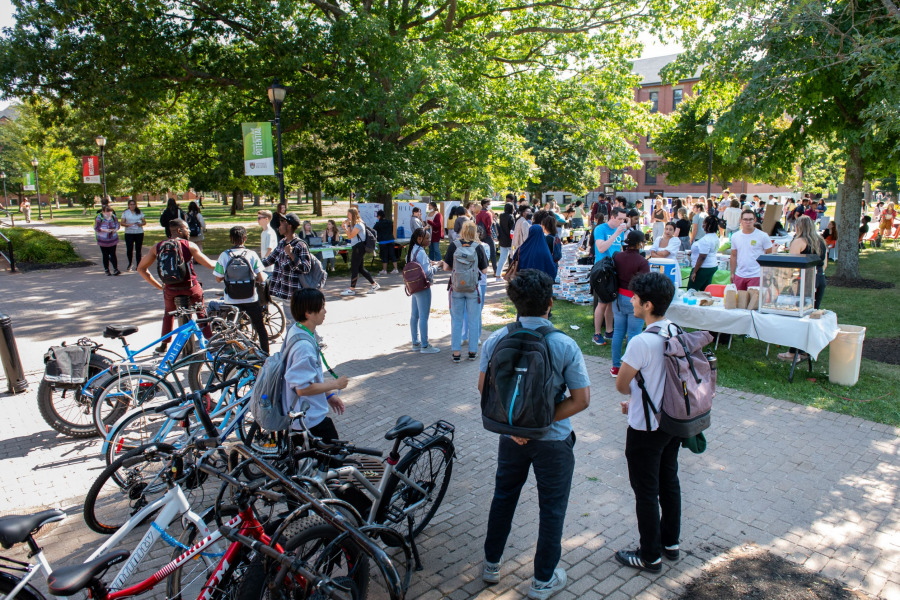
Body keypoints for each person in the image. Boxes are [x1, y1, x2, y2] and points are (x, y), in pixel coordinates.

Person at [480, 269, 591, 599]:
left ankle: (490, 565)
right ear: (550, 303)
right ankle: (543, 581)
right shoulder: (563, 344)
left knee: (503, 498)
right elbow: (581, 399)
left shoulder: (496, 339)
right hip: (554, 440)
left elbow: (484, 390)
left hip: (510, 437)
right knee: (552, 509)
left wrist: (520, 427)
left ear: (515, 302)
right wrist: (539, 423)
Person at [613, 271, 682, 574]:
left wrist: (634, 399)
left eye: (636, 298)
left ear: (648, 305)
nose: (632, 301)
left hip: (645, 429)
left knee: (645, 490)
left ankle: (649, 555)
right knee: (669, 481)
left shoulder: (641, 341)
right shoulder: (675, 329)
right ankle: (670, 543)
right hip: (672, 422)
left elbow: (621, 383)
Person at [137, 218, 216, 354]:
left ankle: (164, 345)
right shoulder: (189, 245)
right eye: (187, 228)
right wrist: (223, 261)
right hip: (190, 288)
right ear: (179, 230)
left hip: (170, 290)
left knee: (168, 314)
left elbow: (141, 268)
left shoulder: (158, 246)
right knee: (201, 313)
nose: (189, 231)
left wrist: (160, 286)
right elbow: (209, 264)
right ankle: (211, 340)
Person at [284, 288, 349, 442]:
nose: (325, 311)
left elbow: (308, 376)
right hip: (309, 421)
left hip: (304, 417)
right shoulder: (303, 347)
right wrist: (335, 384)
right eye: (321, 308)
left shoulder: (297, 330)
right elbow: (302, 388)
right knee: (334, 461)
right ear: (308, 313)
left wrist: (329, 395)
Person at [779, 216, 828, 362]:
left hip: (804, 281)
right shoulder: (821, 241)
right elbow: (824, 264)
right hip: (820, 279)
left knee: (799, 316)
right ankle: (807, 350)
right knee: (812, 314)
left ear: (798, 227)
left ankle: (793, 352)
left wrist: (789, 282)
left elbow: (792, 264)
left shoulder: (799, 241)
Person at [214, 226, 269, 353]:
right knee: (260, 327)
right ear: (245, 238)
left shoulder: (224, 255)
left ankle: (234, 354)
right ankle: (266, 353)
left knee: (231, 329)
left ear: (230, 239)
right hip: (250, 298)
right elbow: (260, 277)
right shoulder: (251, 254)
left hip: (231, 299)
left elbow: (218, 278)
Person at [442, 220, 489, 363]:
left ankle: (456, 353)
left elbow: (445, 267)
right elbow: (485, 270)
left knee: (456, 320)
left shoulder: (453, 246)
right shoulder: (478, 247)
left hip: (456, 288)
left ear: (462, 231)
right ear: (474, 232)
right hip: (473, 288)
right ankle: (472, 352)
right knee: (474, 320)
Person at [611, 231, 650, 377]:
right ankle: (630, 369)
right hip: (635, 299)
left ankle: (615, 367)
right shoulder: (642, 262)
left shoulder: (618, 257)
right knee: (633, 334)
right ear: (639, 244)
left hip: (618, 298)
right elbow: (645, 283)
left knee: (618, 332)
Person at [262, 213, 313, 325]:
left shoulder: (300, 245)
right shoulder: (282, 243)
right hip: (285, 292)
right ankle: (298, 341)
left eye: (281, 223)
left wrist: (291, 255)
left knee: (298, 321)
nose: (278, 226)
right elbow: (269, 260)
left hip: (295, 293)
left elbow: (306, 268)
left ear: (289, 226)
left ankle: (311, 340)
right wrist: (252, 264)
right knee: (293, 322)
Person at [592, 207, 628, 346]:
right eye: (619, 219)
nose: (621, 222)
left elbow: (619, 248)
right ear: (612, 217)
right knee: (602, 303)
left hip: (614, 268)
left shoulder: (621, 230)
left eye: (623, 219)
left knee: (611, 302)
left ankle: (609, 331)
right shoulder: (601, 229)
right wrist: (616, 233)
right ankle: (596, 334)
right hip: (602, 269)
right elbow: (601, 248)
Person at [405, 227, 440, 354]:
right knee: (424, 317)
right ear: (419, 239)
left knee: (414, 315)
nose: (429, 240)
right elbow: (427, 273)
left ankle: (415, 342)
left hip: (413, 287)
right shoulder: (420, 252)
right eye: (427, 238)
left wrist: (430, 263)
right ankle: (425, 345)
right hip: (423, 286)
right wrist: (437, 266)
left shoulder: (412, 250)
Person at [730, 209, 773, 290]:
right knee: (739, 300)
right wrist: (732, 273)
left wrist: (766, 274)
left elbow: (769, 255)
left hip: (756, 275)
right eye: (745, 219)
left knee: (753, 301)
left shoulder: (763, 236)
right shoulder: (735, 236)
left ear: (755, 220)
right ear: (741, 220)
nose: (748, 222)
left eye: (750, 219)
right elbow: (733, 255)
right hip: (740, 274)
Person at [341, 207, 378, 296]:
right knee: (360, 268)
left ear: (353, 215)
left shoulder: (358, 224)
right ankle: (374, 284)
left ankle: (352, 289)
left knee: (354, 267)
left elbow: (350, 236)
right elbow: (350, 235)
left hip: (359, 247)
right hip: (357, 247)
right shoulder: (356, 224)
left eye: (349, 214)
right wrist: (346, 227)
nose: (347, 216)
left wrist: (347, 226)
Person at [689, 216, 721, 291]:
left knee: (691, 290)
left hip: (703, 268)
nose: (702, 226)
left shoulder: (705, 240)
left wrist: (694, 272)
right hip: (712, 266)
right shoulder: (715, 237)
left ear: (708, 226)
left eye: (704, 224)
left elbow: (702, 257)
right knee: (705, 290)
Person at [94, 204, 121, 276]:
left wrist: (115, 229)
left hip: (112, 238)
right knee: (105, 255)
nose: (109, 213)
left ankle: (115, 269)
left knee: (113, 254)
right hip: (103, 239)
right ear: (103, 211)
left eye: (110, 211)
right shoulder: (99, 217)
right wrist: (104, 230)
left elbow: (117, 224)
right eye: (107, 212)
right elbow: (96, 228)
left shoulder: (113, 217)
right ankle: (106, 269)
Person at [120, 199, 146, 271]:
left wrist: (140, 224)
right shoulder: (125, 213)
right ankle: (130, 263)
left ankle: (139, 264)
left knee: (138, 249)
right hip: (129, 233)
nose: (132, 206)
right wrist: (128, 225)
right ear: (128, 205)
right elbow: (122, 223)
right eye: (131, 204)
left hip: (139, 232)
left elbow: (144, 222)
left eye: (133, 204)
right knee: (129, 249)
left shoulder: (139, 212)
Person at [476, 199, 498, 275]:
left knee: (482, 252)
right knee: (493, 253)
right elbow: (490, 226)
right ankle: (495, 270)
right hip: (488, 235)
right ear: (485, 204)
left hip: (480, 236)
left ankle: (482, 269)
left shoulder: (478, 214)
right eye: (489, 204)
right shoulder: (488, 214)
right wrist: (492, 236)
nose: (489, 205)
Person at [373, 209, 398, 275]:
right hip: (390, 240)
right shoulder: (390, 222)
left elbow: (373, 230)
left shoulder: (378, 224)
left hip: (383, 241)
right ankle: (396, 269)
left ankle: (384, 270)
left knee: (384, 256)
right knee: (392, 255)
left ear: (379, 216)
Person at [497, 202, 515, 281]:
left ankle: (498, 274)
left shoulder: (502, 216)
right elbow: (512, 230)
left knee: (502, 258)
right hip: (510, 240)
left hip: (502, 239)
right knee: (512, 258)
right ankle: (510, 274)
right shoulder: (511, 217)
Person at [257, 210, 278, 277]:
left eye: (259, 218)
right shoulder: (263, 232)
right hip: (265, 267)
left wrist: (264, 261)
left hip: (270, 268)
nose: (258, 220)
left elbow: (270, 249)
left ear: (266, 219)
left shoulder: (269, 233)